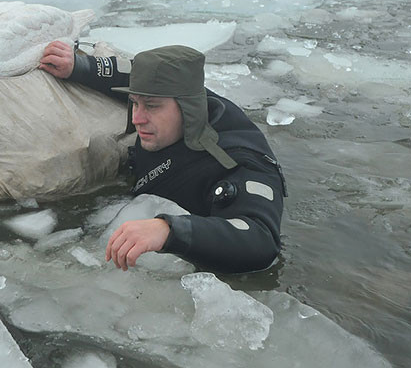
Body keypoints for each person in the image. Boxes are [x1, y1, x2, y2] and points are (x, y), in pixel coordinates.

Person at [39, 41, 286, 273]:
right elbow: (131, 72)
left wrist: (170, 231)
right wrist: (80, 66)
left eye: (152, 106)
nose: (137, 118)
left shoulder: (237, 160)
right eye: (135, 103)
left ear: (189, 108)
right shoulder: (178, 95)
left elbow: (261, 240)